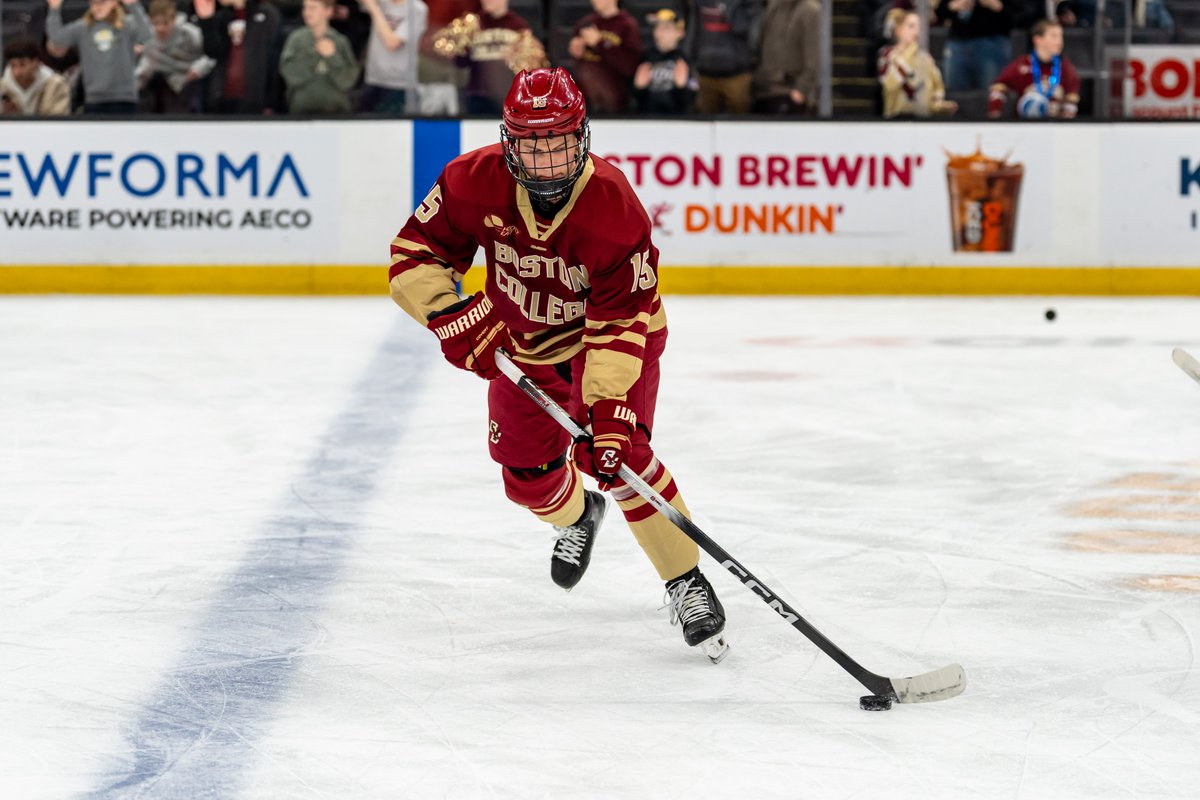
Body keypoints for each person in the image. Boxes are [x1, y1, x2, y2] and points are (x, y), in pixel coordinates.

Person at [387, 67, 729, 662]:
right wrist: (450, 313)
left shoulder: (614, 208)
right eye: (533, 144)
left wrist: (609, 412)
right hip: (522, 351)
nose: (547, 160)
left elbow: (619, 324)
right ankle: (578, 516)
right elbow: (415, 254)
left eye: (560, 142)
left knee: (625, 461)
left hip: (611, 345)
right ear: (509, 140)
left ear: (583, 136)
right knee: (526, 479)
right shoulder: (470, 180)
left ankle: (684, 580)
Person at [432, 0, 546, 114]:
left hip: (506, 95)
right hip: (477, 95)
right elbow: (461, 62)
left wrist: (516, 58)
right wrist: (457, 47)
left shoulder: (518, 26)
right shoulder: (472, 25)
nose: (486, 1)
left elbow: (532, 66)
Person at [45, 0, 151, 114]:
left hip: (124, 97)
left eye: (102, 2)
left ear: (113, 3)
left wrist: (133, 5)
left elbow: (146, 34)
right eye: (93, 3)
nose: (97, 7)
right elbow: (57, 39)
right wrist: (54, 10)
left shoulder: (126, 25)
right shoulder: (82, 27)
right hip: (94, 98)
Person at [193, 0, 283, 114]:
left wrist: (271, 102)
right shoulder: (223, 16)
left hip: (256, 102)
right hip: (222, 99)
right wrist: (206, 21)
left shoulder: (268, 14)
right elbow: (213, 52)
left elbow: (273, 61)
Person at [279, 0, 360, 113]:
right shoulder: (295, 39)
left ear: (328, 11)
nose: (307, 12)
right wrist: (314, 54)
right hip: (301, 112)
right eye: (305, 8)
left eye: (313, 8)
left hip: (337, 112)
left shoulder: (341, 41)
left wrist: (332, 57)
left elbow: (347, 81)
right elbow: (290, 74)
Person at [987, 19, 1079, 118]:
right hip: (1024, 125)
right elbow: (999, 87)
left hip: (1054, 125)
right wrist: (995, 113)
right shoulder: (1022, 65)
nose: (1060, 41)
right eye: (1054, 36)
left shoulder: (1066, 68)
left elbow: (1071, 99)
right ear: (1037, 40)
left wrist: (1066, 122)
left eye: (1061, 36)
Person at [684, 0, 762, 114]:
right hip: (705, 73)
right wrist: (690, 62)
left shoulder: (749, 3)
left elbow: (744, 29)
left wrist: (727, 5)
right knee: (704, 122)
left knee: (740, 123)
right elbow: (693, 31)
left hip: (737, 74)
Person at [136, 0, 214, 113]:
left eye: (165, 23)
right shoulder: (148, 38)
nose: (160, 28)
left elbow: (210, 55)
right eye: (156, 23)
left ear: (174, 20)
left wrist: (198, 69)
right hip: (161, 86)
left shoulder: (189, 34)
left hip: (190, 83)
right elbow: (145, 66)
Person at [878, 8, 957, 118]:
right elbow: (890, 86)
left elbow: (937, 88)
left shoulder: (926, 58)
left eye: (920, 27)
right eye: (911, 26)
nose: (917, 31)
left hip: (923, 121)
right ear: (898, 29)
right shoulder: (887, 55)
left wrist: (939, 107)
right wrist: (909, 53)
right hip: (895, 121)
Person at [567, 0, 642, 114]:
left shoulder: (627, 25)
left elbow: (630, 68)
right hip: (585, 97)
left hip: (614, 98)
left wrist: (600, 43)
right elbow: (579, 64)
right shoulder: (584, 23)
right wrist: (576, 53)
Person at [358, 0, 427, 113]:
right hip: (373, 79)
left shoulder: (417, 9)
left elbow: (393, 43)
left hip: (399, 86)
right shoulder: (381, 2)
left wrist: (374, 8)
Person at [933, 0, 1014, 92]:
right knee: (955, 95)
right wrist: (953, 5)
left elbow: (1020, 14)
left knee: (992, 94)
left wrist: (996, 5)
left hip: (992, 42)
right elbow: (939, 12)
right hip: (958, 42)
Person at [632, 8, 694, 114]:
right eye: (657, 27)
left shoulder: (684, 59)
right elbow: (634, 98)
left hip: (677, 121)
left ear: (680, 33)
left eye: (666, 28)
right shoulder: (645, 57)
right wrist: (638, 87)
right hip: (646, 120)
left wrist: (681, 88)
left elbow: (691, 99)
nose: (660, 32)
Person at [1, 38, 71, 115]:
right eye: (13, 66)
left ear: (35, 62)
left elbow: (59, 120)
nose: (17, 72)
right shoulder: (3, 88)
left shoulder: (56, 85)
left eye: (22, 65)